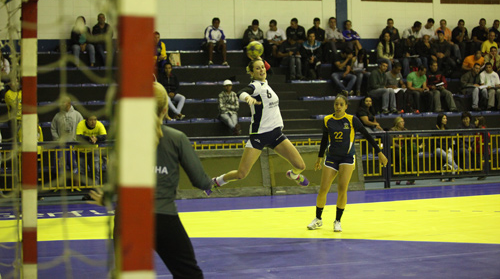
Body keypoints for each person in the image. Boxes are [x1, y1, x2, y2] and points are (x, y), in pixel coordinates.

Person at [91, 82, 213, 278]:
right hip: (162, 217)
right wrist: (213, 183)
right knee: (189, 274)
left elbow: (114, 179)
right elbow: (200, 181)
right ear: (165, 109)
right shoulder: (177, 138)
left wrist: (105, 197)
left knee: (125, 274)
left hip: (127, 219)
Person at [206, 59, 310, 193]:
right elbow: (241, 92)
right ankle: (216, 181)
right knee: (241, 174)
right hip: (259, 135)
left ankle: (293, 175)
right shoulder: (256, 86)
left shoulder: (265, 83)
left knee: (300, 165)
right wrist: (247, 98)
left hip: (276, 134)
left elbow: (267, 66)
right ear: (251, 72)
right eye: (257, 68)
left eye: (262, 67)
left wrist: (259, 57)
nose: (261, 70)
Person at [307, 95, 387, 232]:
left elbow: (367, 135)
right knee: (323, 189)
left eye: (341, 104)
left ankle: (337, 221)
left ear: (346, 106)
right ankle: (318, 219)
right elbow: (324, 139)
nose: (338, 106)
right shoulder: (327, 120)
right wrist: (319, 157)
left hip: (347, 158)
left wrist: (379, 152)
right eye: (336, 104)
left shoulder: (351, 120)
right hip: (331, 157)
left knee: (342, 189)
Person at [51, 96, 84, 187]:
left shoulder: (77, 115)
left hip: (73, 146)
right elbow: (53, 129)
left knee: (75, 166)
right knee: (59, 166)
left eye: (63, 102)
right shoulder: (57, 116)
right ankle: (60, 187)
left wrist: (77, 140)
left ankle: (76, 186)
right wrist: (57, 140)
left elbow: (81, 128)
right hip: (60, 146)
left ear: (69, 103)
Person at [76, 115, 107, 190]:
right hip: (81, 151)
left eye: (95, 120)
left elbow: (104, 136)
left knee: (96, 170)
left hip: (94, 151)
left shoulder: (99, 124)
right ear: (86, 120)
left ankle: (95, 190)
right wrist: (89, 138)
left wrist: (97, 138)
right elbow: (78, 136)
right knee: (82, 172)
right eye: (91, 120)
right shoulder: (81, 124)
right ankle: (85, 191)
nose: (93, 122)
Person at [390, 117, 417, 186]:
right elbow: (391, 142)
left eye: (403, 121)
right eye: (401, 121)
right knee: (403, 157)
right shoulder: (392, 131)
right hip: (396, 149)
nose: (403, 123)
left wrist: (411, 137)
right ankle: (401, 177)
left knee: (410, 157)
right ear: (397, 123)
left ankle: (409, 178)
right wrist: (398, 142)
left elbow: (411, 138)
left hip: (405, 149)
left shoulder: (405, 130)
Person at [435, 113, 461, 182]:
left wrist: (448, 148)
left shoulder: (447, 129)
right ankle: (456, 168)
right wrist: (444, 148)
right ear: (440, 119)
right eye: (444, 118)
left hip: (446, 148)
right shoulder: (435, 128)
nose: (445, 120)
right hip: (437, 148)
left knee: (449, 154)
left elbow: (449, 140)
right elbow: (436, 142)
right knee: (444, 153)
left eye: (446, 118)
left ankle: (451, 174)